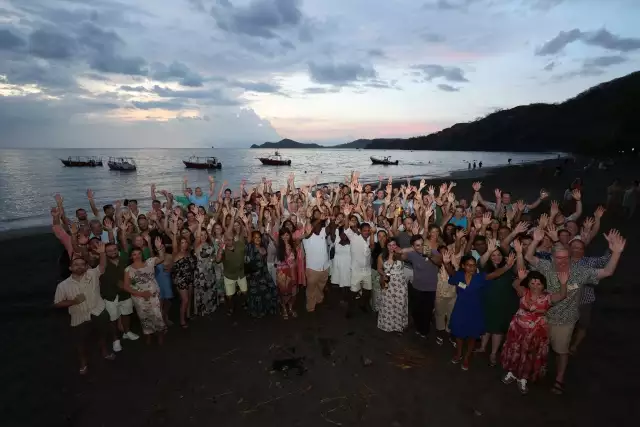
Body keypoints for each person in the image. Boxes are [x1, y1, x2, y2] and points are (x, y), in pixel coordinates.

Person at [524, 228, 626, 394]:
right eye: (557, 257)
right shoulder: (547, 266)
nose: (560, 261)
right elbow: (528, 257)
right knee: (538, 347)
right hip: (543, 317)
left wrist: (616, 253)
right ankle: (537, 371)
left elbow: (608, 271)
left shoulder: (580, 272)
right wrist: (535, 241)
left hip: (566, 320)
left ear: (569, 257)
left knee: (561, 351)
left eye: (564, 258)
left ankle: (559, 379)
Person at [442, 251, 515, 371]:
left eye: (474, 265)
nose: (472, 267)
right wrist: (447, 263)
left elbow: (494, 275)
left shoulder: (480, 277)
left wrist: (507, 266)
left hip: (475, 311)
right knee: (458, 334)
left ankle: (467, 357)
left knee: (472, 336)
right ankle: (459, 353)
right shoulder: (459, 276)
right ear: (463, 266)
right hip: (460, 309)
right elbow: (451, 272)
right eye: (469, 265)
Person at [501, 268, 568, 394]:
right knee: (515, 350)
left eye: (538, 284)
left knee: (529, 354)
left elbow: (562, 295)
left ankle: (523, 379)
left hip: (536, 332)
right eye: (532, 283)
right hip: (518, 330)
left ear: (543, 285)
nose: (535, 286)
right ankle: (512, 373)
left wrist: (563, 283)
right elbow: (514, 284)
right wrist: (521, 279)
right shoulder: (524, 291)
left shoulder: (547, 297)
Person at [53, 243, 114, 375]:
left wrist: (102, 252)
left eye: (82, 264)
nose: (79, 266)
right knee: (81, 342)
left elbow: (102, 266)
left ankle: (104, 351)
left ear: (86, 266)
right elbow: (57, 303)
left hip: (98, 310)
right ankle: (83, 362)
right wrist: (73, 301)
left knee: (103, 333)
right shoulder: (63, 286)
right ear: (70, 268)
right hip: (79, 316)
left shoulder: (92, 274)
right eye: (76, 264)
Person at [477, 241, 518, 366]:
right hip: (487, 301)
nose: (496, 257)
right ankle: (483, 347)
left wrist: (519, 254)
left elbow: (520, 271)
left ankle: (493, 353)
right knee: (486, 324)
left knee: (497, 329)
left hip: (503, 302)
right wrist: (489, 251)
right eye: (493, 255)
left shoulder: (510, 267)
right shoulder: (486, 267)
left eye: (499, 254)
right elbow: (488, 274)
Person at [123, 239, 167, 344]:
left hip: (153, 295)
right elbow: (126, 286)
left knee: (157, 316)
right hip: (139, 298)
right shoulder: (128, 269)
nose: (137, 256)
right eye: (134, 254)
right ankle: (149, 335)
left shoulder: (149, 262)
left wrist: (159, 248)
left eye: (139, 254)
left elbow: (161, 258)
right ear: (131, 256)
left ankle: (160, 334)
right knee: (144, 318)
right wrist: (142, 294)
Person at [398, 234, 441, 339]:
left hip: (430, 288)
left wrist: (430, 255)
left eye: (422, 244)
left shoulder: (433, 252)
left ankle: (424, 332)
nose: (421, 247)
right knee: (416, 310)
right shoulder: (412, 254)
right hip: (417, 287)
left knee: (426, 311)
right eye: (417, 245)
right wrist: (409, 249)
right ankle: (418, 327)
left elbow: (439, 261)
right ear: (413, 246)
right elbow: (400, 254)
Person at [100, 242, 139, 353]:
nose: (113, 252)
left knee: (126, 313)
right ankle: (115, 340)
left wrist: (132, 284)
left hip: (125, 293)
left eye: (114, 249)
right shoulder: (102, 263)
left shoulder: (124, 260)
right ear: (105, 253)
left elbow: (132, 274)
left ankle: (127, 332)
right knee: (113, 319)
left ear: (118, 249)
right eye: (109, 250)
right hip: (110, 295)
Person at [302, 218, 335, 312]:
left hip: (324, 267)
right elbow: (309, 231)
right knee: (311, 290)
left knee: (321, 286)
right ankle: (310, 308)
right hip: (312, 269)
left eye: (320, 225)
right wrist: (320, 218)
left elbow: (330, 227)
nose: (319, 227)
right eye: (317, 225)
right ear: (311, 227)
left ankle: (319, 300)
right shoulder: (307, 236)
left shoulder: (322, 232)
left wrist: (332, 220)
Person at [377, 238, 408, 332]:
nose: (391, 247)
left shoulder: (399, 255)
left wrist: (400, 251)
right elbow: (379, 268)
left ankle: (399, 326)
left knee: (400, 303)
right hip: (387, 281)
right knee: (387, 303)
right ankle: (387, 325)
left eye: (394, 245)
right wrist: (384, 274)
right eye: (389, 245)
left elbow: (405, 257)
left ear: (397, 245)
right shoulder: (382, 256)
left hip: (400, 282)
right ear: (386, 246)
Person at [245, 231, 278, 318]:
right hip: (253, 275)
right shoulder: (250, 248)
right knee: (256, 294)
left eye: (259, 237)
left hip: (264, 273)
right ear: (252, 239)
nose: (257, 239)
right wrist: (247, 226)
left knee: (271, 289)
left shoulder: (263, 247)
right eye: (255, 237)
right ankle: (257, 312)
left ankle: (267, 309)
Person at [275, 227, 298, 319]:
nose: (285, 237)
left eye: (287, 235)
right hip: (282, 273)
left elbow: (294, 260)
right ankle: (284, 309)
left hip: (292, 271)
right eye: (283, 235)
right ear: (280, 237)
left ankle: (290, 308)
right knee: (284, 293)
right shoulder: (278, 246)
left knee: (293, 292)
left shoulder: (293, 246)